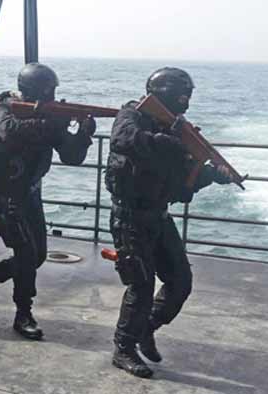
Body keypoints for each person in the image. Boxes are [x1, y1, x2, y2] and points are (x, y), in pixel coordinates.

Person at [106, 67, 234, 378]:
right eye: (181, 97)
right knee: (141, 285)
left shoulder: (180, 132)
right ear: (163, 95)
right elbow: (123, 140)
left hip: (158, 215)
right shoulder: (132, 114)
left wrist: (209, 175)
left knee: (180, 282)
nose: (186, 104)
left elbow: (181, 189)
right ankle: (123, 349)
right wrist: (168, 141)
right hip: (129, 216)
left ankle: (145, 329)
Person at [0, 63, 95, 340]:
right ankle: (23, 314)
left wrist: (83, 134)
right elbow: (7, 131)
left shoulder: (51, 119)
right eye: (48, 92)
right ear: (36, 91)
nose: (51, 98)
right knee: (26, 253)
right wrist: (49, 123)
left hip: (31, 191)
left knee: (36, 256)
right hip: (7, 191)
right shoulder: (7, 106)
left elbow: (72, 157)